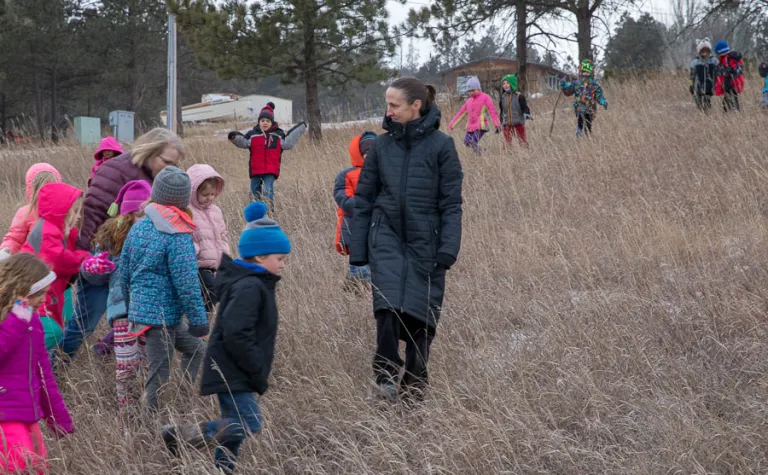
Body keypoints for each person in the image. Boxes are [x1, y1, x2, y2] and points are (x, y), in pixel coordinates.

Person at [350, 77, 463, 402]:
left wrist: (448, 248)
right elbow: (365, 198)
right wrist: (359, 249)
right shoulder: (382, 147)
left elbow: (451, 204)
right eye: (387, 104)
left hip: (426, 242)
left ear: (416, 105)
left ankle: (414, 387)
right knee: (386, 306)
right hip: (385, 235)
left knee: (420, 316)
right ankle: (384, 375)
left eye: (394, 104)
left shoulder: (443, 146)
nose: (388, 111)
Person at [161, 201, 290, 474]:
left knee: (232, 428)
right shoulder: (250, 287)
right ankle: (185, 435)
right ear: (258, 257)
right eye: (279, 259)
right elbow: (236, 333)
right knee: (249, 423)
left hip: (233, 369)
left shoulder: (252, 284)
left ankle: (223, 469)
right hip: (234, 370)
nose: (283, 265)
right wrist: (255, 367)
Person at [61, 127, 184, 360]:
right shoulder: (115, 169)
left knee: (138, 315)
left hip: (136, 261)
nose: (171, 169)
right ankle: (55, 366)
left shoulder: (160, 179)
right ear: (150, 151)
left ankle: (104, 351)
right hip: (104, 258)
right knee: (86, 321)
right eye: (167, 162)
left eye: (174, 164)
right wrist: (83, 258)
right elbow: (92, 212)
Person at [120, 166, 209, 413]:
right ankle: (149, 426)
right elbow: (188, 284)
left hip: (153, 314)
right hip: (160, 318)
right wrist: (199, 321)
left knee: (197, 349)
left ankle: (183, 401)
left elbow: (124, 274)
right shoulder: (178, 233)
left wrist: (133, 308)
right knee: (158, 375)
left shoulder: (139, 227)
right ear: (183, 199)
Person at [80, 180, 151, 411]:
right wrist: (92, 268)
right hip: (122, 310)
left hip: (150, 310)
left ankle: (148, 408)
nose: (143, 218)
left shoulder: (157, 235)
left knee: (149, 362)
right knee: (127, 364)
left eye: (147, 212)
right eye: (138, 213)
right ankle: (126, 409)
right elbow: (93, 276)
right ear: (126, 214)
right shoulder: (110, 238)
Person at [0, 253, 74, 474]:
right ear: (22, 291)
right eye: (40, 293)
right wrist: (16, 320)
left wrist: (58, 418)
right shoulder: (10, 320)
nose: (44, 299)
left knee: (39, 465)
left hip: (27, 412)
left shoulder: (33, 322)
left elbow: (44, 374)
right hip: (4, 413)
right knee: (18, 465)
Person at [20, 183, 90, 351]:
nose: (78, 217)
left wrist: (74, 236)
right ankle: (16, 358)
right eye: (74, 211)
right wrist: (85, 256)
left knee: (51, 335)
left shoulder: (54, 230)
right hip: (33, 298)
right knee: (52, 332)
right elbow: (61, 261)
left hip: (44, 298)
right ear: (62, 211)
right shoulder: (47, 232)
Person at [227, 102, 307, 209]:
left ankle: (269, 211)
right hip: (256, 169)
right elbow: (243, 142)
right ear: (259, 122)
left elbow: (288, 143)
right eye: (262, 121)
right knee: (254, 191)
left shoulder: (278, 135)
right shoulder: (253, 134)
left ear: (272, 122)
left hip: (271, 169)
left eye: (268, 121)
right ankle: (256, 212)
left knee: (267, 190)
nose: (265, 123)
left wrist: (300, 129)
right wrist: (233, 137)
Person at [334, 131, 376, 290]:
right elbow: (343, 197)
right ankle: (354, 288)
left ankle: (362, 289)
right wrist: (364, 204)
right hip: (355, 227)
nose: (369, 156)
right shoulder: (346, 175)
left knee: (374, 262)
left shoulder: (384, 173)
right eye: (366, 153)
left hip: (377, 226)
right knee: (359, 264)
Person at [187, 164, 229, 316]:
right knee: (211, 291)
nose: (209, 198)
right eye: (205, 195)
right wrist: (195, 250)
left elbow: (223, 234)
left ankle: (202, 320)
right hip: (198, 264)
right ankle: (200, 319)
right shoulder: (188, 211)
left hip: (214, 263)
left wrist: (224, 253)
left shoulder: (216, 211)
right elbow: (186, 236)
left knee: (214, 292)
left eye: (212, 194)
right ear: (193, 192)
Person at [1, 163, 62, 254]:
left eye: (53, 188)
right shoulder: (25, 213)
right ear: (33, 191)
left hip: (60, 262)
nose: (48, 193)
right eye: (43, 190)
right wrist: (6, 251)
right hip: (32, 263)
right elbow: (15, 239)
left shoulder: (66, 211)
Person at [448, 76, 501, 154]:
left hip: (481, 126)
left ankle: (478, 154)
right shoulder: (468, 101)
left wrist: (497, 124)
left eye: (473, 90)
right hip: (470, 126)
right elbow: (460, 113)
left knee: (473, 141)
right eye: (469, 91)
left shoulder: (485, 98)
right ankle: (482, 152)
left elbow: (492, 111)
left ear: (478, 89)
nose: (471, 92)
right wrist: (452, 124)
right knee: (466, 142)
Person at [561, 59, 608, 136]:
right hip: (584, 108)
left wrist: (603, 101)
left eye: (587, 72)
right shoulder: (581, 83)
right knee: (583, 122)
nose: (586, 74)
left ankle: (584, 136)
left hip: (587, 109)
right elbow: (569, 91)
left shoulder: (589, 84)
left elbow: (598, 96)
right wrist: (564, 86)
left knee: (585, 123)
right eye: (584, 72)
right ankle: (582, 136)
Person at [498, 74, 531, 145]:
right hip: (507, 124)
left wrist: (526, 114)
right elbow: (502, 111)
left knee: (522, 141)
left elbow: (525, 107)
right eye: (504, 84)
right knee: (508, 143)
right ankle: (509, 153)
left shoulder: (519, 96)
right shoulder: (502, 98)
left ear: (512, 84)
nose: (505, 85)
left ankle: (525, 151)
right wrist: (500, 122)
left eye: (507, 83)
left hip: (518, 123)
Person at [714, 40, 744, 112]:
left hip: (730, 86)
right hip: (735, 85)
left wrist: (727, 82)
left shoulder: (727, 59)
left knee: (729, 103)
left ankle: (734, 114)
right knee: (728, 102)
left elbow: (730, 72)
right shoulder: (732, 58)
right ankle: (733, 113)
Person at [690, 38, 717, 111]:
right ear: (699, 51)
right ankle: (700, 112)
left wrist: (715, 85)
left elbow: (716, 75)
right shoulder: (695, 62)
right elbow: (691, 77)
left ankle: (706, 113)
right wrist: (691, 85)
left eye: (706, 51)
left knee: (707, 102)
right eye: (703, 51)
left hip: (709, 86)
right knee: (698, 102)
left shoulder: (713, 61)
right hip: (698, 86)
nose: (704, 53)